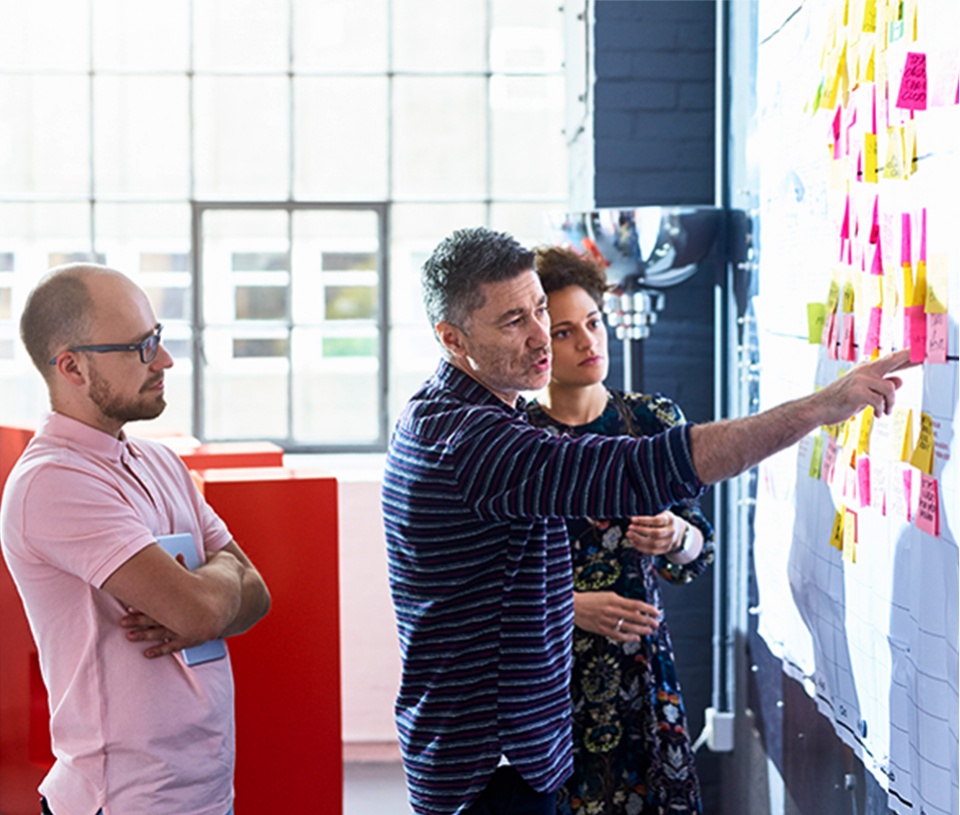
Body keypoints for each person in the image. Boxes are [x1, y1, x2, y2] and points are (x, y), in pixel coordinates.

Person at [381, 226, 910, 815]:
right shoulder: (472, 440)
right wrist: (818, 407)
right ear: (451, 339)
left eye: (539, 312)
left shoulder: (465, 414)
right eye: (514, 322)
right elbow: (651, 465)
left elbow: (499, 584)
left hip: (509, 747)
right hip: (492, 763)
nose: (541, 340)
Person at [0, 263, 271, 815]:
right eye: (139, 348)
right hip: (122, 800)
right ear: (71, 367)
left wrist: (208, 595)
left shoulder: (161, 463)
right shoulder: (52, 481)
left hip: (203, 790)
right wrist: (215, 587)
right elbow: (199, 613)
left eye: (159, 339)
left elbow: (258, 595)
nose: (165, 361)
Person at [526, 246, 711, 814]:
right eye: (564, 332)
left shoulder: (653, 421)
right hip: (549, 675)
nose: (589, 342)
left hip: (641, 672)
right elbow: (490, 581)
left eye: (594, 322)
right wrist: (572, 605)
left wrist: (675, 535)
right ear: (534, 344)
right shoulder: (516, 438)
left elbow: (698, 550)